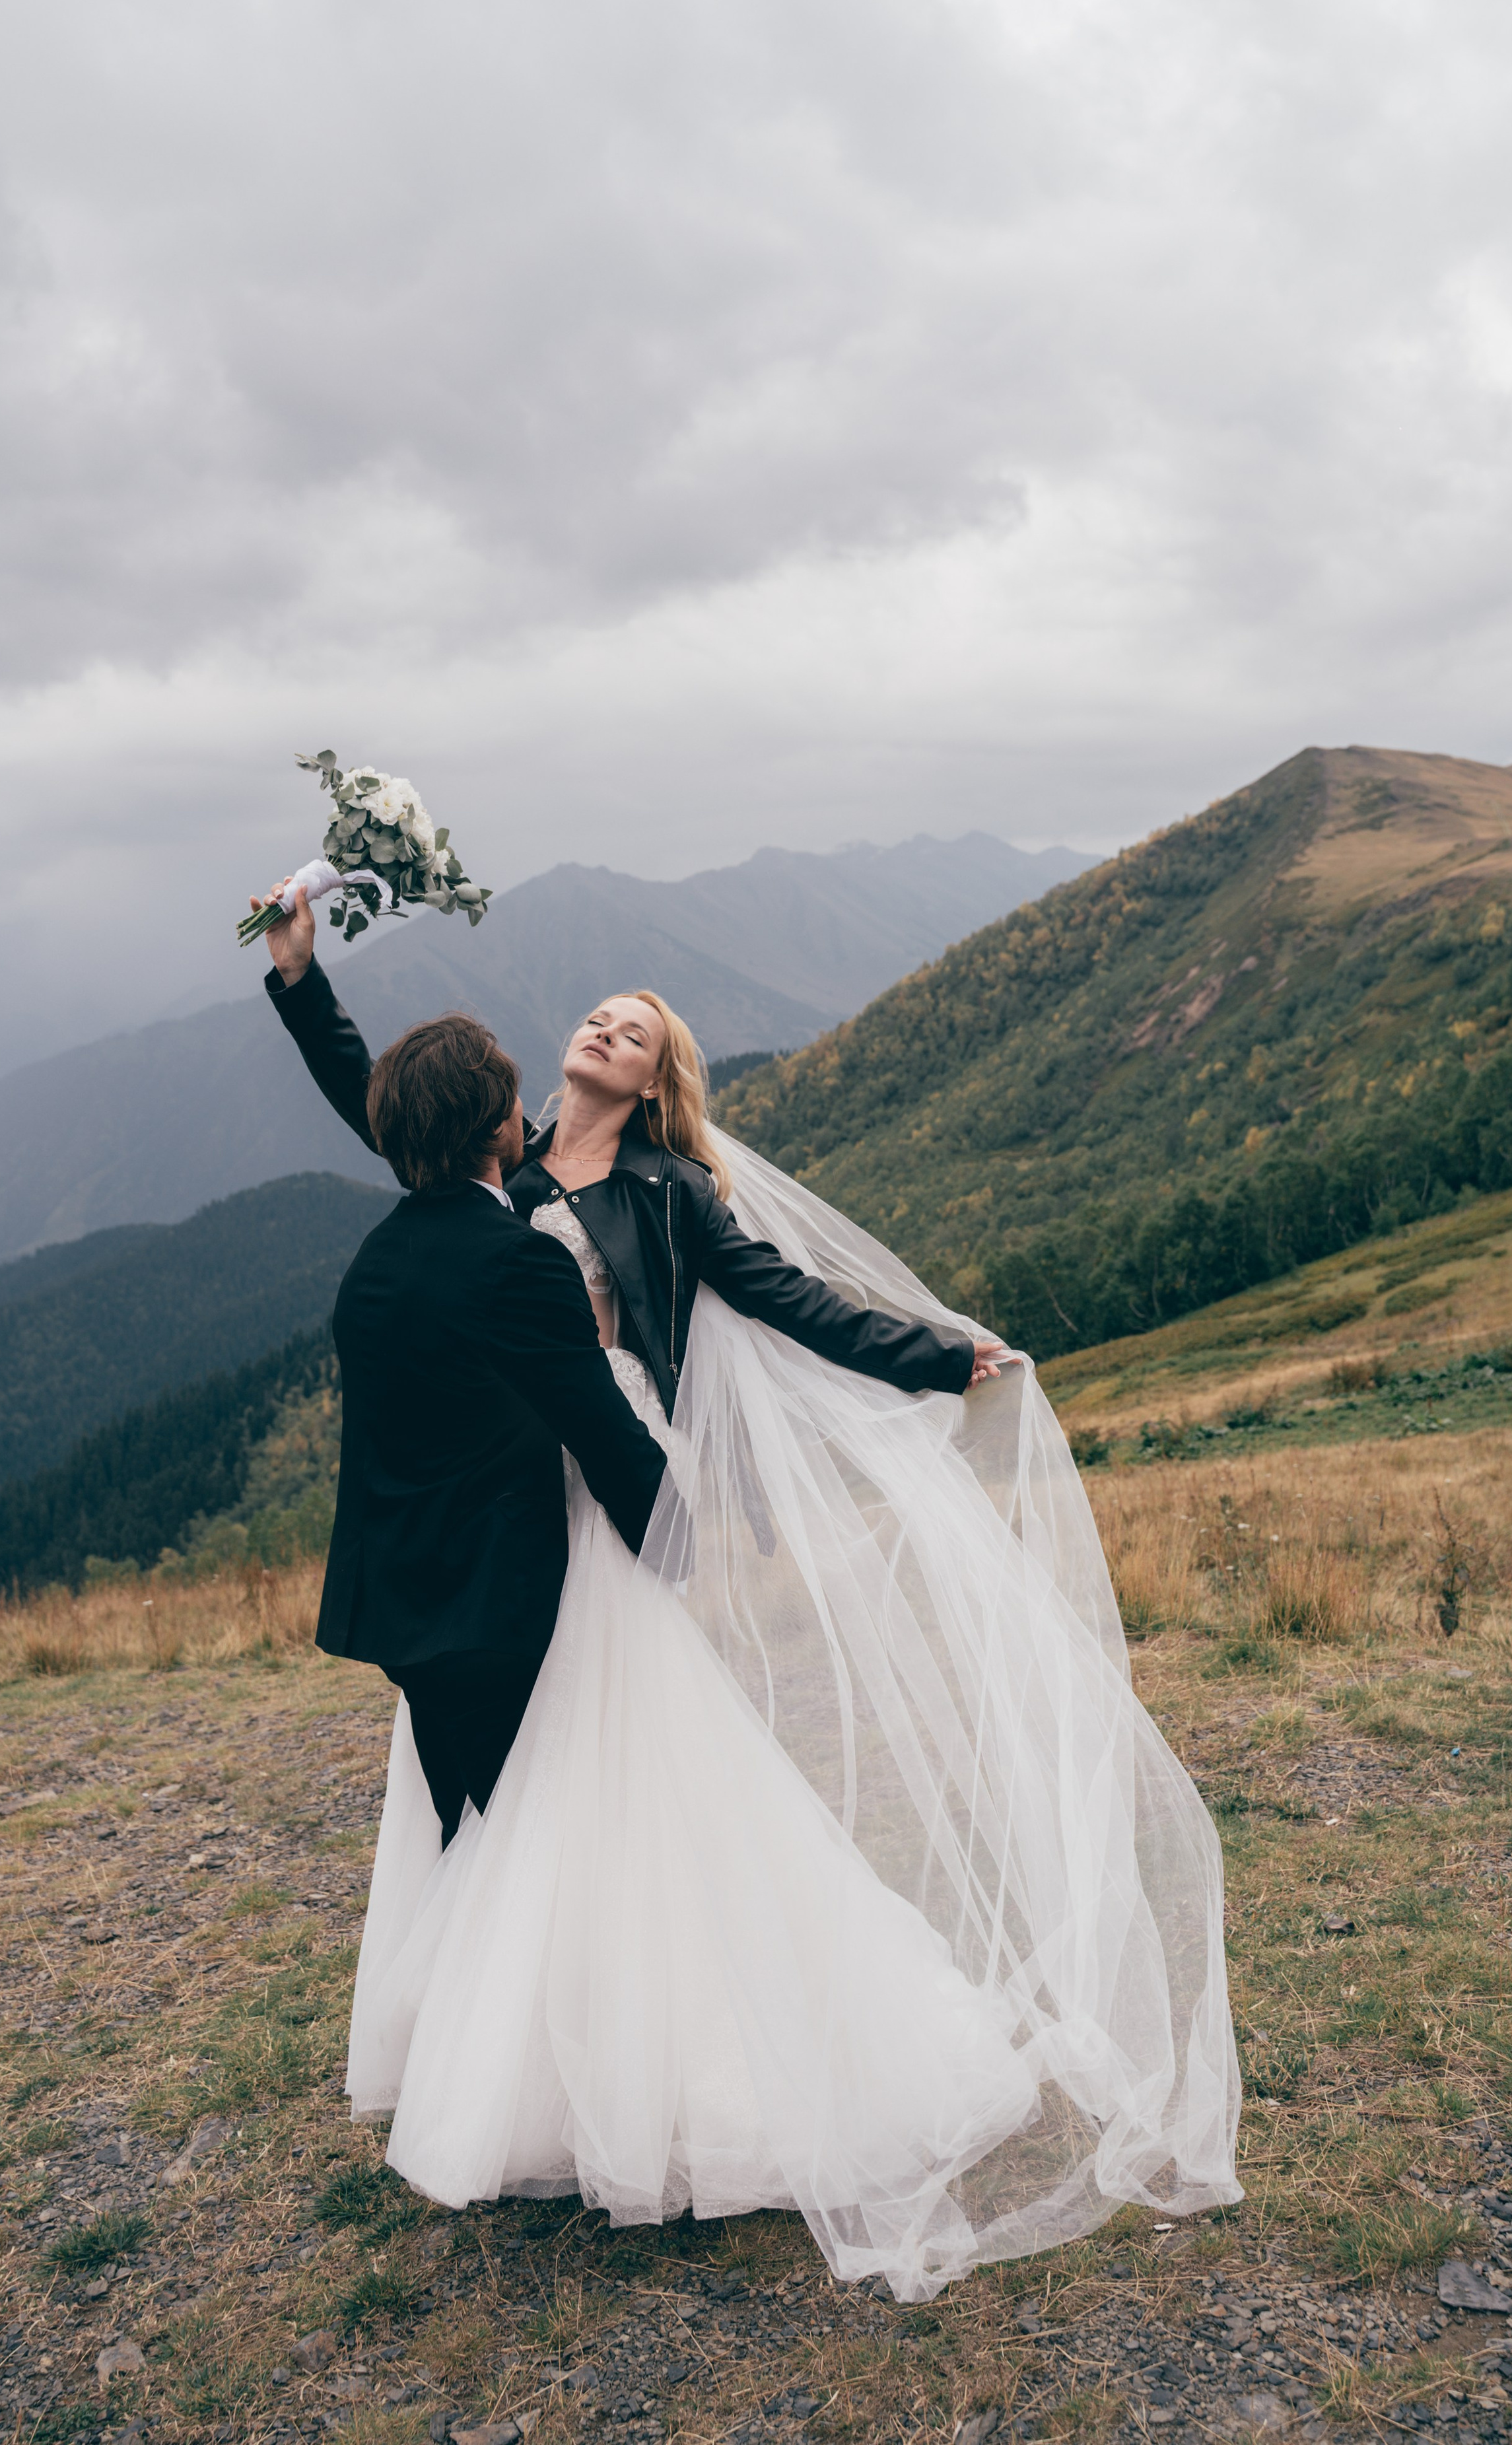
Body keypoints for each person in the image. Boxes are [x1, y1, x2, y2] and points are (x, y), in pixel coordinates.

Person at [254, 878, 1243, 2304]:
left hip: (594, 1514)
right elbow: (384, 1104)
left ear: (660, 1083)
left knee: (610, 1791)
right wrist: (298, 980)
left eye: (637, 1033)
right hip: (500, 1528)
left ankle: (635, 2067)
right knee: (528, 1796)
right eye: (600, 1014)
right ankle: (549, 2060)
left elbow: (787, 1300)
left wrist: (930, 1354)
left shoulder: (669, 1198)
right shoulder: (503, 1157)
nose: (606, 1028)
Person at [285, 991, 668, 1845]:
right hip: (498, 1610)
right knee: (532, 1844)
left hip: (402, 1612)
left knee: (468, 1838)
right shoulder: (517, 1263)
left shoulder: (375, 1263)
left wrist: (300, 983)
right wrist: (682, 1552)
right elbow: (604, 1437)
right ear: (498, 1124)